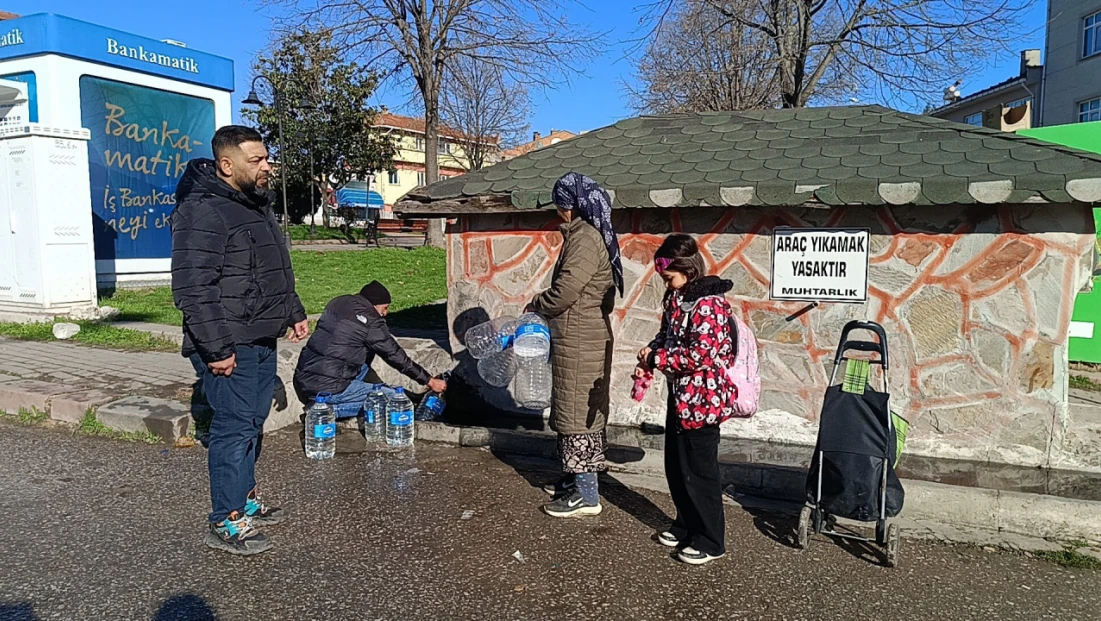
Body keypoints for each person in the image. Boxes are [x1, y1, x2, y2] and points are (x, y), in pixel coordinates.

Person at [172, 125, 310, 556]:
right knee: (233, 427)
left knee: (252, 422)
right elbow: (193, 288)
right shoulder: (202, 211)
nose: (267, 166)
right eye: (257, 160)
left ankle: (245, 500)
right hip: (229, 341)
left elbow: (271, 269)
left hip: (260, 334)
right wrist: (216, 349)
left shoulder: (253, 204)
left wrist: (293, 311)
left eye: (266, 158)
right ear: (227, 165)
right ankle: (225, 519)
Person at [527, 172, 623, 518]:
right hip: (580, 335)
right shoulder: (588, 235)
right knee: (573, 409)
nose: (558, 211)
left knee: (577, 414)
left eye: (560, 205)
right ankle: (574, 479)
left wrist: (537, 303)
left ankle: (586, 495)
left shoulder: (584, 238)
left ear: (572, 205)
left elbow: (567, 290)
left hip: (581, 338)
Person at [636, 233, 736, 565]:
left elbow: (700, 355)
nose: (667, 284)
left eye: (669, 277)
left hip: (704, 398)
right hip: (681, 395)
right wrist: (651, 350)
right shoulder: (676, 298)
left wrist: (658, 359)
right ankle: (686, 524)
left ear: (688, 269)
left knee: (700, 470)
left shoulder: (709, 303)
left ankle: (710, 539)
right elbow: (667, 335)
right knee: (677, 466)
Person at [293, 280, 447, 415]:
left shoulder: (338, 302)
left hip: (304, 376)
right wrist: (429, 381)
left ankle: (357, 392)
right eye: (385, 308)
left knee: (364, 360)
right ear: (374, 305)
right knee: (393, 402)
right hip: (328, 387)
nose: (385, 313)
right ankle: (324, 410)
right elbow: (395, 356)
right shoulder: (372, 322)